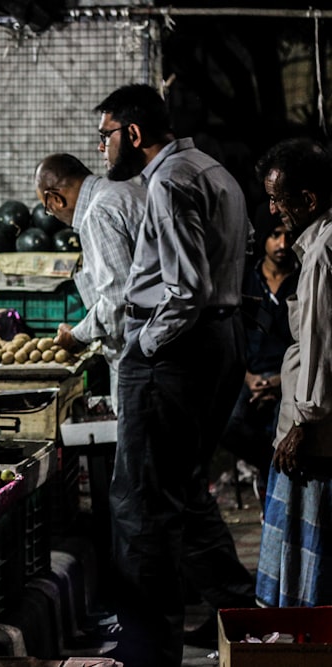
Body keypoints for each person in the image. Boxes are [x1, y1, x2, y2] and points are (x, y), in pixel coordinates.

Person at [93, 83, 256, 667]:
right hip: (218, 340)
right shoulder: (210, 168)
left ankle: (146, 650)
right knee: (180, 489)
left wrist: (143, 345)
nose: (103, 149)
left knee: (140, 504)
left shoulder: (168, 180)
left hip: (177, 350)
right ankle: (239, 612)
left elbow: (186, 289)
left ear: (133, 134)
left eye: (107, 136)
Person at [254, 137, 332, 608]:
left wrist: (303, 423)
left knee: (310, 569)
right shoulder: (317, 245)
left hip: (316, 431)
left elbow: (323, 349)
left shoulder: (322, 253)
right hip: (316, 424)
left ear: (308, 200)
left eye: (278, 200)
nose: (272, 211)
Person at [33, 153, 145, 413]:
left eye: (47, 208)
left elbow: (118, 301)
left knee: (139, 447)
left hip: (140, 356)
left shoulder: (98, 212)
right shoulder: (126, 190)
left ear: (56, 199)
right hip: (163, 346)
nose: (52, 215)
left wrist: (78, 336)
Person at [220, 211, 299, 504]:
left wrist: (281, 380)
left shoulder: (302, 279)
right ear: (263, 239)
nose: (282, 242)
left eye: (287, 235)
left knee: (286, 427)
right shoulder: (247, 282)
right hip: (250, 375)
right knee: (227, 425)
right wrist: (249, 378)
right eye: (274, 235)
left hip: (290, 376)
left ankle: (276, 492)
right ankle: (270, 468)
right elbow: (232, 334)